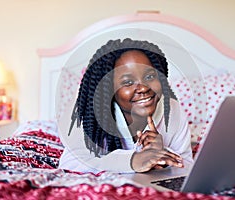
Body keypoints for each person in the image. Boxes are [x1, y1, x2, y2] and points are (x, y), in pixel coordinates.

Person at [58, 38, 193, 173]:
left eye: (150, 77)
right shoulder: (90, 115)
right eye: (128, 82)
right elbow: (70, 164)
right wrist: (133, 160)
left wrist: (159, 154)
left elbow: (186, 164)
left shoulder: (173, 110)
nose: (143, 88)